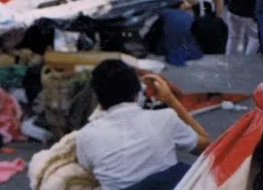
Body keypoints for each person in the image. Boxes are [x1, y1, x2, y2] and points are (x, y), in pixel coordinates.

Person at [76, 60, 210, 190]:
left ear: (97, 97)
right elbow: (207, 149)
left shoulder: (84, 136)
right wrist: (171, 100)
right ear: (138, 92)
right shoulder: (166, 118)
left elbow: (91, 171)